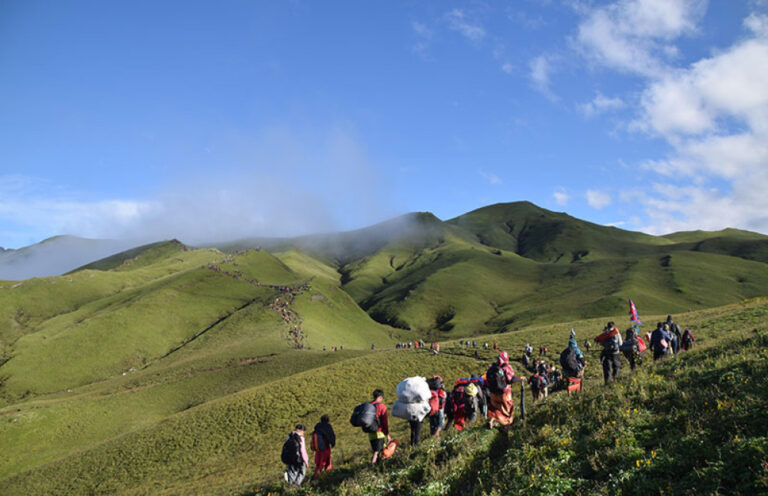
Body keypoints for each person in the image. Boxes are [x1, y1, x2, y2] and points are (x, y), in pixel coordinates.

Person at [486, 351, 524, 429]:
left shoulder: (492, 367)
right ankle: (506, 427)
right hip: (504, 394)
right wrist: (520, 378)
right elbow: (510, 380)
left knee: (495, 408)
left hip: (493, 393)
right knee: (507, 411)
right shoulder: (507, 367)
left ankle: (492, 421)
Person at [369, 389, 390, 465]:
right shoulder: (381, 406)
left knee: (376, 451)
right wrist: (387, 434)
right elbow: (385, 422)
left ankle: (378, 466)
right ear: (380, 397)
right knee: (377, 452)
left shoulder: (369, 405)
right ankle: (372, 467)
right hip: (379, 433)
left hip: (370, 433)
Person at [311, 415, 336, 479]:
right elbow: (332, 435)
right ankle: (327, 476)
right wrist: (333, 443)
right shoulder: (328, 426)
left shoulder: (317, 427)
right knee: (326, 461)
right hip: (325, 447)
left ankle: (316, 476)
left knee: (318, 462)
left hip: (318, 449)